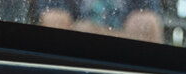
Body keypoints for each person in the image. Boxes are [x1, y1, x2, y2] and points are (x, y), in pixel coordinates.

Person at [37, 0, 165, 41]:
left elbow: (151, 34)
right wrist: (125, 36)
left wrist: (84, 31)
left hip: (126, 71)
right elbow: (53, 33)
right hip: (74, 71)